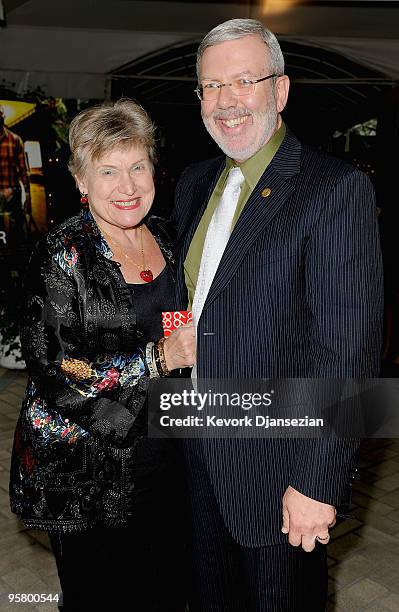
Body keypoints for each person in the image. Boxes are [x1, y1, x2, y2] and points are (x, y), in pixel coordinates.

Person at [172, 19, 383, 612]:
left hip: (277, 467)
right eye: (211, 86)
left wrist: (318, 481)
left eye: (243, 80)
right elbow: (188, 303)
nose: (226, 100)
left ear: (281, 90)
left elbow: (345, 354)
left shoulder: (332, 189)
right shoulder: (194, 183)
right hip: (196, 454)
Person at [9, 98, 195, 611]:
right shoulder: (62, 254)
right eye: (108, 171)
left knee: (167, 589)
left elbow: (178, 318)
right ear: (81, 181)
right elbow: (56, 370)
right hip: (90, 471)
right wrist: (156, 358)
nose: (128, 186)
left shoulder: (167, 237)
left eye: (137, 166)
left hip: (169, 453)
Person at [0, 104, 31, 369]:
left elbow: (23, 171)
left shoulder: (14, 141)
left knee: (14, 244)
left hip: (10, 199)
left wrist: (21, 197)